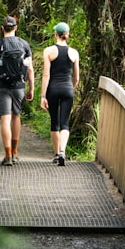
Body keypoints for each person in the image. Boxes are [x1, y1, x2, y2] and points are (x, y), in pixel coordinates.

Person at [0, 15, 34, 166]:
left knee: (5, 119)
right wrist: (31, 88)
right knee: (16, 116)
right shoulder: (24, 45)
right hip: (19, 86)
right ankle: (14, 152)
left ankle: (7, 155)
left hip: (3, 86)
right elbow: (30, 70)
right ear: (15, 28)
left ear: (2, 28)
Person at [39, 21, 80, 166]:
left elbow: (46, 75)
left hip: (53, 89)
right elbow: (76, 77)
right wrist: (71, 87)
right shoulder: (74, 53)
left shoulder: (49, 51)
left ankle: (56, 154)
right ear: (67, 35)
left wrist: (43, 95)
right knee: (65, 123)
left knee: (54, 122)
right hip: (67, 88)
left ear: (55, 34)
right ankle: (63, 151)